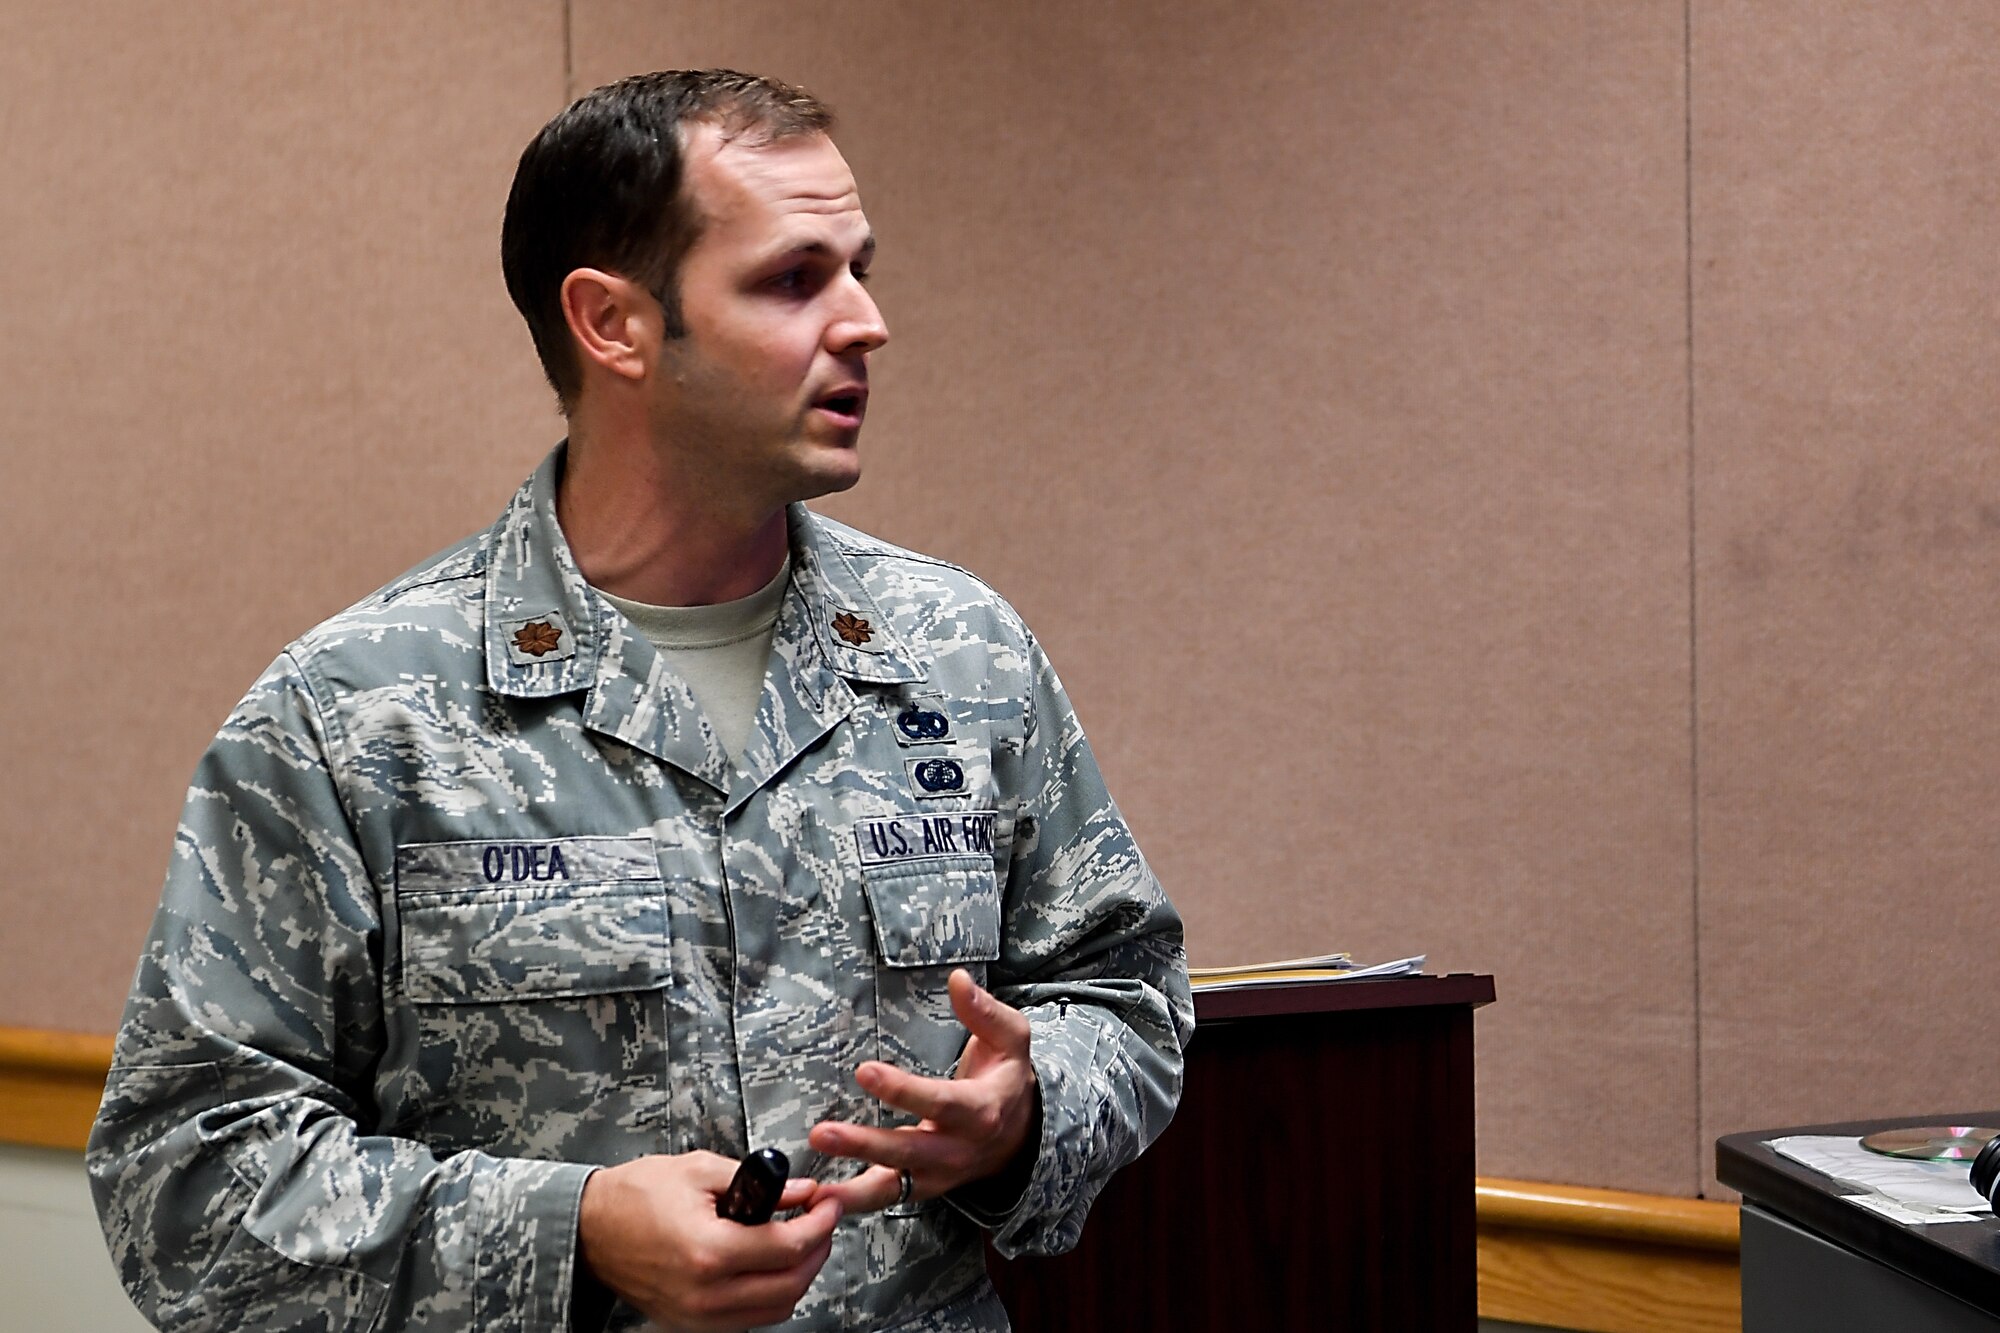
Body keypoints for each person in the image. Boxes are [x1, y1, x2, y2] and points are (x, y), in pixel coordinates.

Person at [89, 69, 1191, 1333]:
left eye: (859, 267)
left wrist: (1029, 1104)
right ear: (613, 325)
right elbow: (183, 1179)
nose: (867, 320)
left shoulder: (959, 655)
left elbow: (1125, 990)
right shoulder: (356, 716)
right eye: (794, 279)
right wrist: (574, 1232)